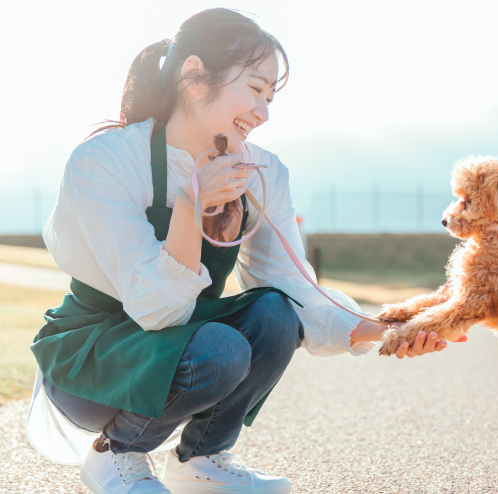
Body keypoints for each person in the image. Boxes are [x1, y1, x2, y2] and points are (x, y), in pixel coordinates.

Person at [27, 8, 464, 494]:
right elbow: (154, 309)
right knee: (221, 348)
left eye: (270, 96)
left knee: (275, 312)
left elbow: (293, 286)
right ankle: (116, 454)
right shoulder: (104, 161)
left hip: (180, 341)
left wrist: (377, 330)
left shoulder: (262, 173)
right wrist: (193, 202)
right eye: (255, 89)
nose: (264, 111)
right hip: (92, 358)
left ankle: (201, 460)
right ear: (194, 78)